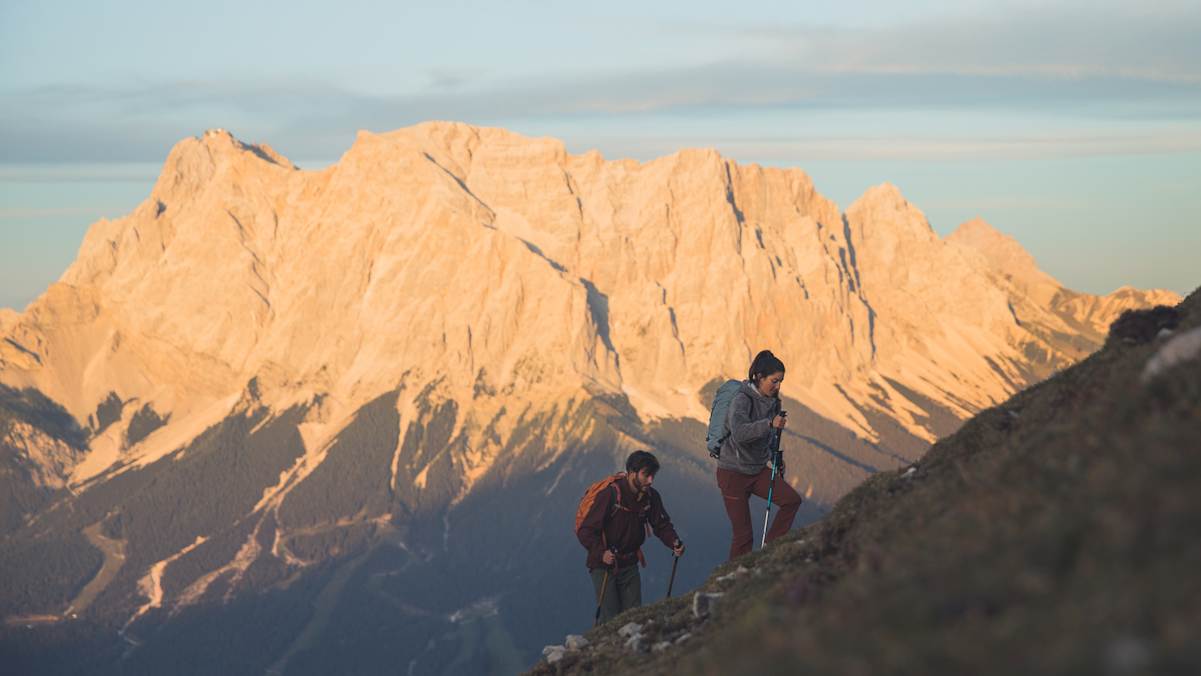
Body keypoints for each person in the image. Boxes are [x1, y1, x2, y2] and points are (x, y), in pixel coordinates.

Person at [576, 450, 685, 624]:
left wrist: (674, 542)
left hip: (630, 563)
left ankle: (630, 649)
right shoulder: (610, 495)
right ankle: (607, 650)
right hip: (604, 566)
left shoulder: (650, 497)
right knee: (611, 619)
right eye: (646, 475)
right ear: (632, 473)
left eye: (652, 475)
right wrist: (601, 553)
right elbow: (585, 530)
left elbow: (661, 524)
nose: (651, 480)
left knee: (633, 618)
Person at [716, 349, 802, 559]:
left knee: (791, 500)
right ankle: (734, 580)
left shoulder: (774, 402)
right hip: (732, 474)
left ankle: (769, 553)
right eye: (774, 381)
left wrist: (775, 458)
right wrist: (768, 424)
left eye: (780, 381)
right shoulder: (743, 399)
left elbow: (768, 437)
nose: (778, 386)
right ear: (759, 377)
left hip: (756, 470)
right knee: (743, 535)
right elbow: (740, 433)